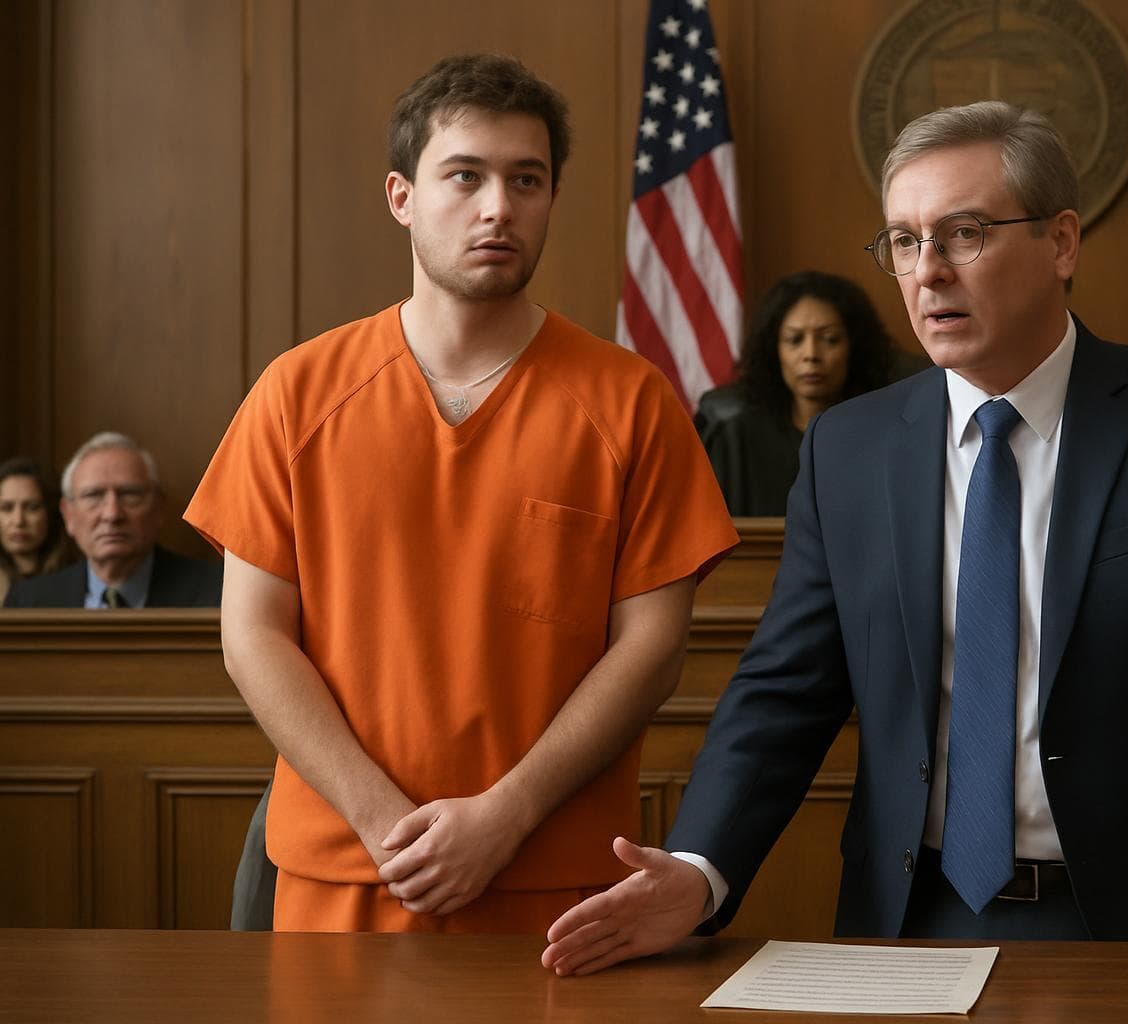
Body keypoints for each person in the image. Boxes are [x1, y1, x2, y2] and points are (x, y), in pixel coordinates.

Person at [541, 101, 1128, 974]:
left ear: (1061, 243)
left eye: (963, 233)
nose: (927, 272)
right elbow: (786, 689)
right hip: (911, 915)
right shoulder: (848, 449)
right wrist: (701, 867)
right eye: (904, 241)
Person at [185, 53, 737, 934]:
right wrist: (382, 822)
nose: (498, 208)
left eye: (528, 180)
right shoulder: (296, 391)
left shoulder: (631, 401)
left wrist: (506, 814)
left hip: (553, 876)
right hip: (346, 870)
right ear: (402, 196)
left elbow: (652, 649)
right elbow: (253, 634)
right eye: (466, 176)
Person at [696, 272, 894, 516]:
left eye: (829, 339)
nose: (810, 354)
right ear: (773, 350)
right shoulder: (736, 440)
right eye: (794, 339)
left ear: (854, 348)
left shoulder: (885, 437)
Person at [4, 433, 220, 609]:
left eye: (130, 494)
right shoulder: (28, 601)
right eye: (93, 496)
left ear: (158, 508)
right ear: (68, 514)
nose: (112, 514)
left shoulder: (215, 593)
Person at [0, 457, 77, 604]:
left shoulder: (79, 577)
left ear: (51, 512)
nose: (18, 521)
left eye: (32, 507)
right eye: (6, 508)